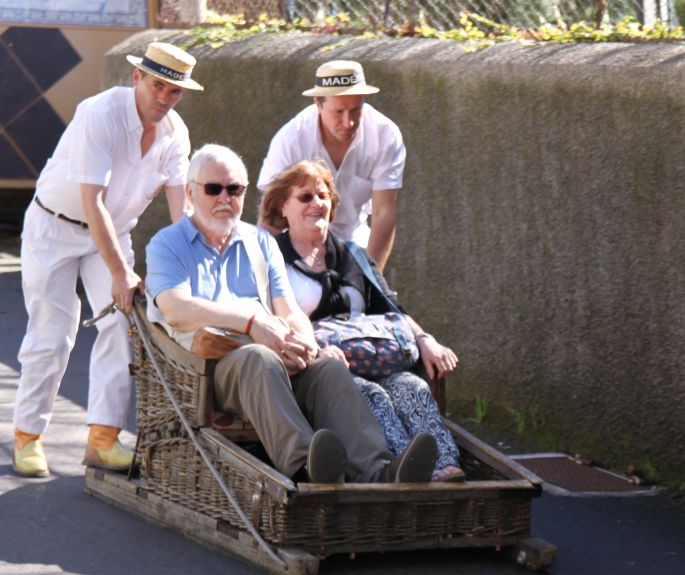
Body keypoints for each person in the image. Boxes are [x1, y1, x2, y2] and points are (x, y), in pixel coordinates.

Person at [145, 144, 438, 484]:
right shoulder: (168, 244)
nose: (225, 198)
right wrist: (253, 324)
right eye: (214, 189)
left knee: (328, 369)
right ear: (190, 192)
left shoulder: (261, 243)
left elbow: (290, 311)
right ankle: (308, 466)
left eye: (235, 189)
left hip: (273, 353)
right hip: (214, 366)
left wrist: (305, 342)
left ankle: (378, 471)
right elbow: (175, 309)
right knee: (257, 358)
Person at [11, 42, 203, 478]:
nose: (165, 99)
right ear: (137, 78)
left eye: (175, 92)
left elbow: (183, 215)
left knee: (121, 323)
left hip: (113, 232)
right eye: (158, 86)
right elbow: (91, 201)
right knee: (53, 335)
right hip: (55, 228)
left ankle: (103, 438)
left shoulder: (175, 133)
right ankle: (27, 436)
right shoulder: (99, 114)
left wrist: (192, 277)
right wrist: (121, 273)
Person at [260, 160, 466, 482]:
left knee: (411, 386)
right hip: (315, 370)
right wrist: (313, 351)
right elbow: (267, 320)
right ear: (282, 207)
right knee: (372, 396)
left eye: (323, 196)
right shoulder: (272, 258)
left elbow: (392, 308)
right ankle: (400, 470)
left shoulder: (353, 255)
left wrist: (426, 340)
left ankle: (445, 467)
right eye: (305, 197)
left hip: (373, 359)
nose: (317, 204)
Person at [257, 60, 405, 270]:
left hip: (354, 243)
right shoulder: (291, 138)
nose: (348, 122)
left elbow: (384, 214)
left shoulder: (386, 135)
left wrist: (372, 281)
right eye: (338, 112)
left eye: (356, 110)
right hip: (296, 247)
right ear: (318, 105)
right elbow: (270, 217)